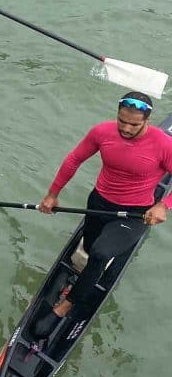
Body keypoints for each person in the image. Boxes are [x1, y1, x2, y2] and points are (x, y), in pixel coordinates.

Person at [31, 92, 172, 337]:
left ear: (147, 121)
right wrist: (52, 194)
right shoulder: (102, 132)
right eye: (122, 121)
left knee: (99, 253)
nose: (126, 128)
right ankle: (94, 266)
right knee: (89, 248)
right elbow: (74, 160)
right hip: (98, 203)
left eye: (134, 125)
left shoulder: (163, 144)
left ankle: (64, 307)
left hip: (135, 213)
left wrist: (164, 205)